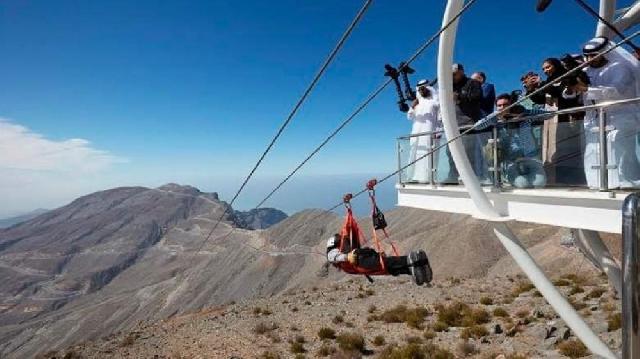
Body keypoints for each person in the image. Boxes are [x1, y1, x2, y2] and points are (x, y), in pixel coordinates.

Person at [569, 36, 640, 189]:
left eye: (593, 55)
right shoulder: (584, 70)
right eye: (587, 56)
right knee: (593, 151)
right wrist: (571, 88)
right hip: (594, 119)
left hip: (620, 117)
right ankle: (597, 184)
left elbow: (616, 91)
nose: (589, 59)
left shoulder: (620, 67)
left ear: (604, 52)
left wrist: (585, 89)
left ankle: (626, 184)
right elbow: (568, 95)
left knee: (618, 150)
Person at [528, 58, 586, 186]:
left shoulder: (565, 77)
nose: (545, 70)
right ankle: (553, 180)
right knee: (550, 151)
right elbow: (539, 99)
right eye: (543, 69)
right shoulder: (548, 81)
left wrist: (542, 84)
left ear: (556, 66)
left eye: (548, 67)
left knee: (565, 151)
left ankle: (571, 180)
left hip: (565, 120)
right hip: (550, 120)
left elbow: (561, 93)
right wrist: (531, 88)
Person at [474, 93, 548, 188]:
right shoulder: (497, 122)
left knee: (539, 184)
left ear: (512, 105)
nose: (502, 107)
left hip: (531, 158)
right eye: (499, 106)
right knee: (522, 184)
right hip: (511, 162)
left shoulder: (525, 118)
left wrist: (525, 112)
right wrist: (495, 116)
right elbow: (477, 126)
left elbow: (549, 114)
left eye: (505, 105)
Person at [326, 234, 433, 285]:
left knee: (390, 266)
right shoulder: (333, 253)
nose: (346, 245)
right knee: (390, 266)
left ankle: (416, 263)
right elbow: (333, 257)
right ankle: (416, 264)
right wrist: (346, 257)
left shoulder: (348, 254)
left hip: (366, 262)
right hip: (363, 263)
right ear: (335, 245)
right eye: (343, 243)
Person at [443, 63, 484, 183]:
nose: (452, 77)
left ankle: (471, 178)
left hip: (468, 123)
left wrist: (459, 97)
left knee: (468, 152)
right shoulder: (450, 85)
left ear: (461, 71)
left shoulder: (473, 83)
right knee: (450, 153)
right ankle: (453, 177)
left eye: (454, 74)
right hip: (452, 125)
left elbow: (477, 98)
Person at [406, 79, 441, 183]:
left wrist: (438, 131)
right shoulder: (418, 104)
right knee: (415, 154)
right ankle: (414, 177)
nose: (421, 91)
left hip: (430, 132)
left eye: (423, 89)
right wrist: (412, 106)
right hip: (417, 133)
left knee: (429, 155)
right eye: (419, 90)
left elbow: (440, 118)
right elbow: (409, 116)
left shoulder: (435, 102)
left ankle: (428, 178)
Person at [471, 71, 496, 184]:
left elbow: (481, 99)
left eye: (473, 79)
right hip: (476, 125)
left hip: (485, 123)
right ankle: (479, 176)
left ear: (480, 79)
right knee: (477, 152)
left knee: (486, 152)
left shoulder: (488, 86)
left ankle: (490, 177)